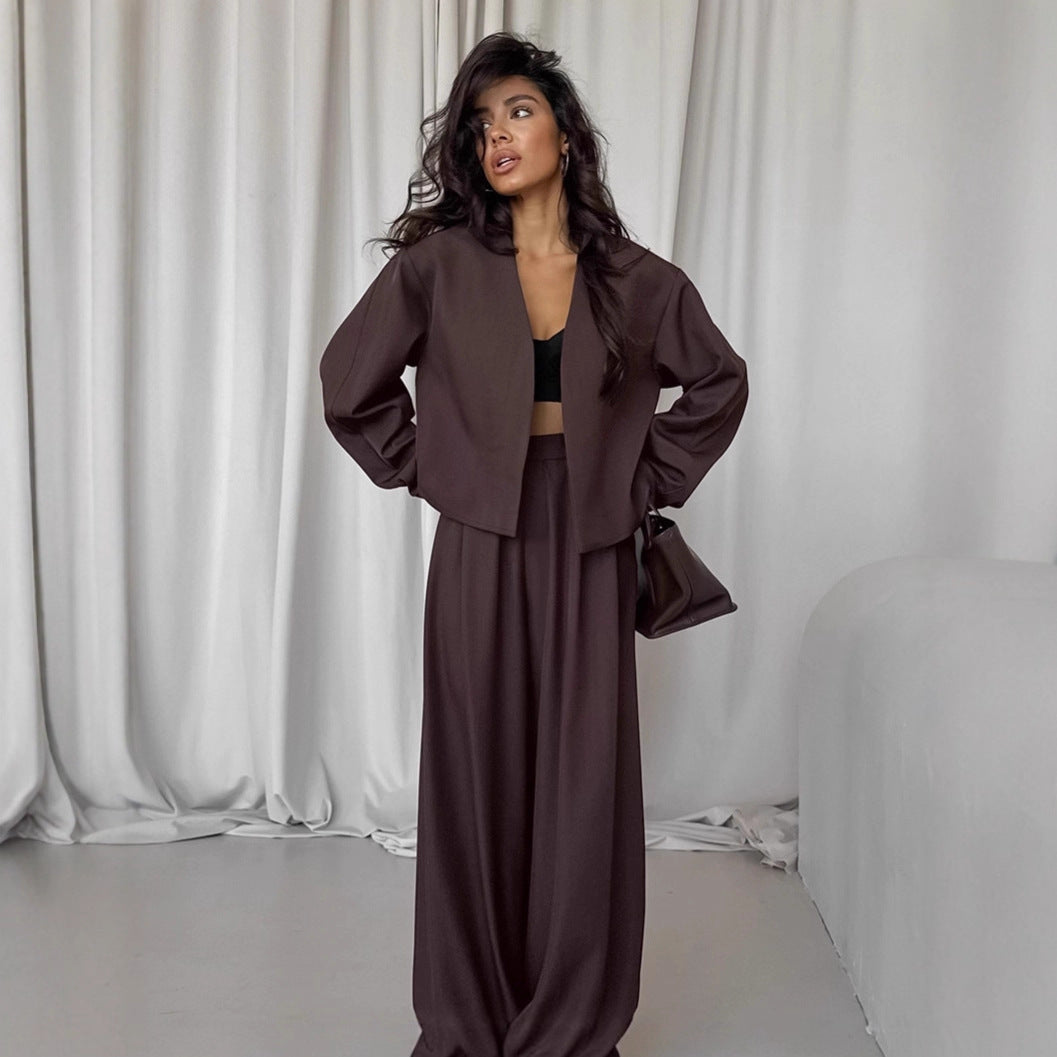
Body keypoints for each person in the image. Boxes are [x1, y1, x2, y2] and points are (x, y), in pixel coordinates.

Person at [319, 31, 749, 1057]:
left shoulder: (636, 278)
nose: (498, 135)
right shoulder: (438, 268)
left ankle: (571, 1022)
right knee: (476, 774)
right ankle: (469, 1017)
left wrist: (644, 479)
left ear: (565, 130)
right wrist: (438, 469)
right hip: (480, 540)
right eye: (479, 124)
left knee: (583, 785)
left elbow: (718, 381)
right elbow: (350, 382)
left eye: (517, 110)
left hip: (592, 540)